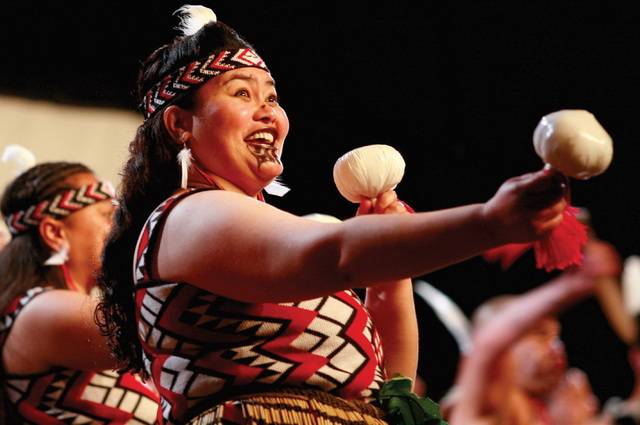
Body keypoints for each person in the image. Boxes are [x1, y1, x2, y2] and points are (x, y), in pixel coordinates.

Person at [96, 5, 568, 424]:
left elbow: (391, 383)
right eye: (242, 94)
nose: (269, 114)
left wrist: (388, 277)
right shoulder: (185, 217)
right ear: (180, 123)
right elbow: (337, 255)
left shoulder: (277, 241)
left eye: (272, 98)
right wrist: (489, 222)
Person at [0, 161, 159, 424]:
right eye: (108, 216)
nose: (123, 227)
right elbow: (165, 326)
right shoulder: (38, 311)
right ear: (54, 232)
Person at [447, 239, 621, 424]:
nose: (556, 347)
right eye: (541, 335)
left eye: (555, 337)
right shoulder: (488, 404)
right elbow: (489, 342)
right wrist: (572, 286)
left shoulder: (538, 411)